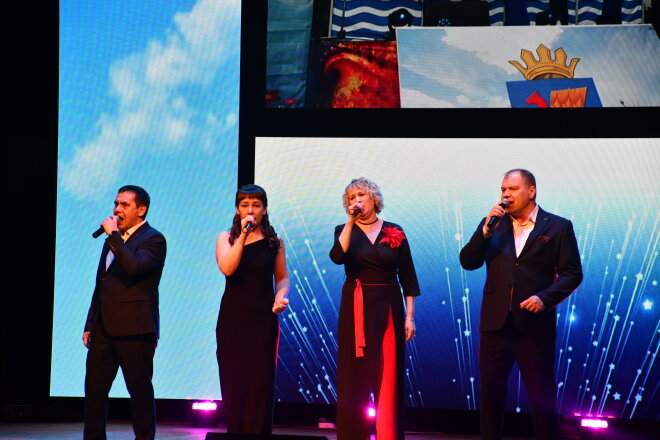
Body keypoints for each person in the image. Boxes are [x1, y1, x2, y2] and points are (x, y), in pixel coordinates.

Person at [459, 169, 583, 440]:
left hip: (533, 325)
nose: (506, 195)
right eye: (503, 189)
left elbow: (573, 273)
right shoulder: (493, 225)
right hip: (495, 324)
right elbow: (468, 261)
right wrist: (485, 231)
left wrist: (544, 298)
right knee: (491, 395)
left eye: (513, 189)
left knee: (541, 397)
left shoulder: (558, 226)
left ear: (531, 191)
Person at [329, 177, 420, 440]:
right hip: (356, 306)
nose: (356, 201)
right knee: (354, 376)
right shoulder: (343, 230)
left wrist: (410, 316)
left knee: (389, 374)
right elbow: (337, 257)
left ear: (374, 198)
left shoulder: (394, 230)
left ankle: (388, 434)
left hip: (389, 304)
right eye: (351, 198)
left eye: (361, 195)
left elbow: (408, 275)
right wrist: (350, 221)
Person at [83, 185, 167, 440]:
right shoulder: (113, 239)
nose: (117, 209)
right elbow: (102, 283)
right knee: (94, 393)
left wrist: (114, 236)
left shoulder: (153, 239)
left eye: (124, 205)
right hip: (103, 328)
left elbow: (135, 267)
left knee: (139, 392)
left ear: (141, 210)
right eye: (116, 203)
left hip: (135, 329)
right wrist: (90, 323)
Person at [215, 184, 290, 434]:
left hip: (263, 320)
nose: (250, 210)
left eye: (256, 205)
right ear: (237, 209)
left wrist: (280, 296)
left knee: (260, 384)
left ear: (264, 210)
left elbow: (282, 277)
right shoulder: (226, 238)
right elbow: (227, 268)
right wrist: (243, 236)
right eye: (245, 205)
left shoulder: (275, 242)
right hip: (233, 320)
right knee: (234, 381)